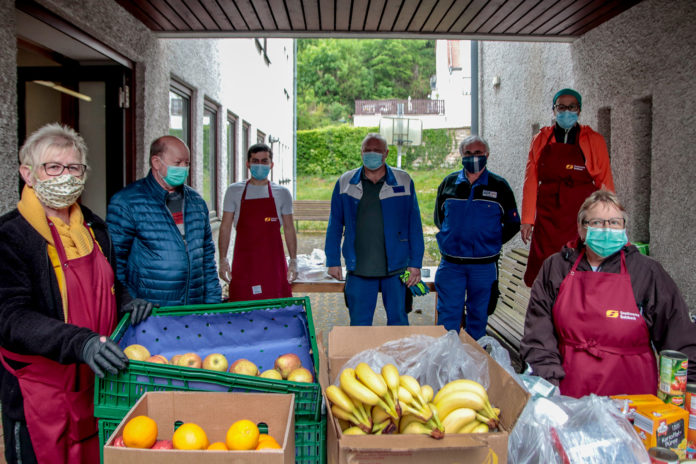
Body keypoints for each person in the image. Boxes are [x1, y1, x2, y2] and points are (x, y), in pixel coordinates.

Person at [0, 124, 151, 463]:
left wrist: (126, 302)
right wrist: (79, 342)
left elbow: (107, 283)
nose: (64, 176)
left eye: (73, 168)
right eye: (53, 167)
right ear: (28, 174)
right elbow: (10, 317)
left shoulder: (94, 228)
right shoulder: (11, 236)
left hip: (95, 383)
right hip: (40, 393)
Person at [520, 190, 696, 398]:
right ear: (581, 228)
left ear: (624, 228)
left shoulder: (647, 272)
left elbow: (679, 336)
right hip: (569, 396)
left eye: (614, 223)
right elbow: (538, 336)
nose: (606, 229)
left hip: (633, 400)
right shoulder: (557, 267)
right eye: (597, 222)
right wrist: (549, 387)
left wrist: (688, 393)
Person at [107, 135, 222, 306]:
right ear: (156, 162)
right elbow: (115, 262)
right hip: (151, 315)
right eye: (177, 163)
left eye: (187, 163)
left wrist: (213, 306)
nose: (183, 169)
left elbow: (207, 259)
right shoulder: (127, 202)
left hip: (193, 311)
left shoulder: (196, 203)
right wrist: (130, 304)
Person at [325, 133, 424, 326]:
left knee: (398, 322)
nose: (371, 154)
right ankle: (361, 356)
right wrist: (333, 260)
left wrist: (415, 263)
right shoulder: (345, 182)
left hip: (397, 269)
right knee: (359, 325)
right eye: (367, 150)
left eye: (377, 150)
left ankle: (397, 356)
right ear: (361, 153)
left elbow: (414, 225)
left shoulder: (403, 180)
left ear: (386, 153)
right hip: (359, 268)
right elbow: (335, 224)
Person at [520, 88, 615, 287]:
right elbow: (530, 181)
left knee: (578, 271)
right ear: (554, 110)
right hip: (547, 218)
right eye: (561, 107)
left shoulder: (594, 140)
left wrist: (609, 222)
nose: (566, 111)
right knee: (546, 273)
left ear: (579, 110)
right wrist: (527, 220)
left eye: (572, 107)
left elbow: (604, 183)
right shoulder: (540, 140)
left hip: (579, 217)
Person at [434, 136, 520, 339]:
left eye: (478, 153)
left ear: (487, 155)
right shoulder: (448, 183)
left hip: (483, 267)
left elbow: (513, 223)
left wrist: (491, 242)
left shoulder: (500, 186)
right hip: (451, 265)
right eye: (468, 154)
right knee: (447, 318)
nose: (473, 158)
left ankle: (473, 362)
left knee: (478, 317)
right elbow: (440, 218)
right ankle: (446, 365)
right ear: (461, 155)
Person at [218, 143, 297, 301]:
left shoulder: (282, 193)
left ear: (271, 165)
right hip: (244, 265)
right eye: (255, 161)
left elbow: (289, 229)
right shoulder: (234, 191)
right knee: (243, 311)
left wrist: (294, 260)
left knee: (275, 310)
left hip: (273, 266)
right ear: (248, 164)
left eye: (264, 161)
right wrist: (223, 259)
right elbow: (225, 227)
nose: (259, 165)